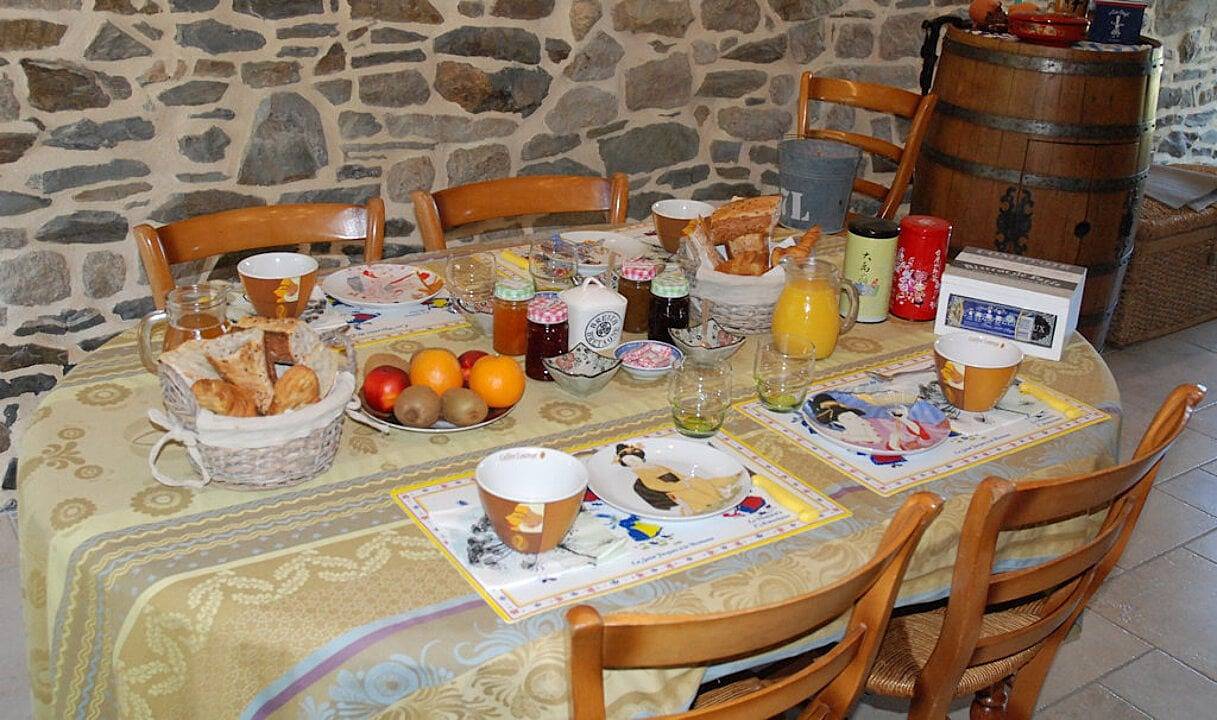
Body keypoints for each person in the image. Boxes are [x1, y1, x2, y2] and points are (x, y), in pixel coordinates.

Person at [614, 444, 740, 515]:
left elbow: (674, 472)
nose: (633, 462)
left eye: (633, 459)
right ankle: (716, 498)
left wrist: (684, 479)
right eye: (629, 462)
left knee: (697, 480)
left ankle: (724, 488)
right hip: (671, 489)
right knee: (692, 489)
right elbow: (655, 485)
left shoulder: (653, 465)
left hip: (679, 481)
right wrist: (679, 485)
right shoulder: (641, 472)